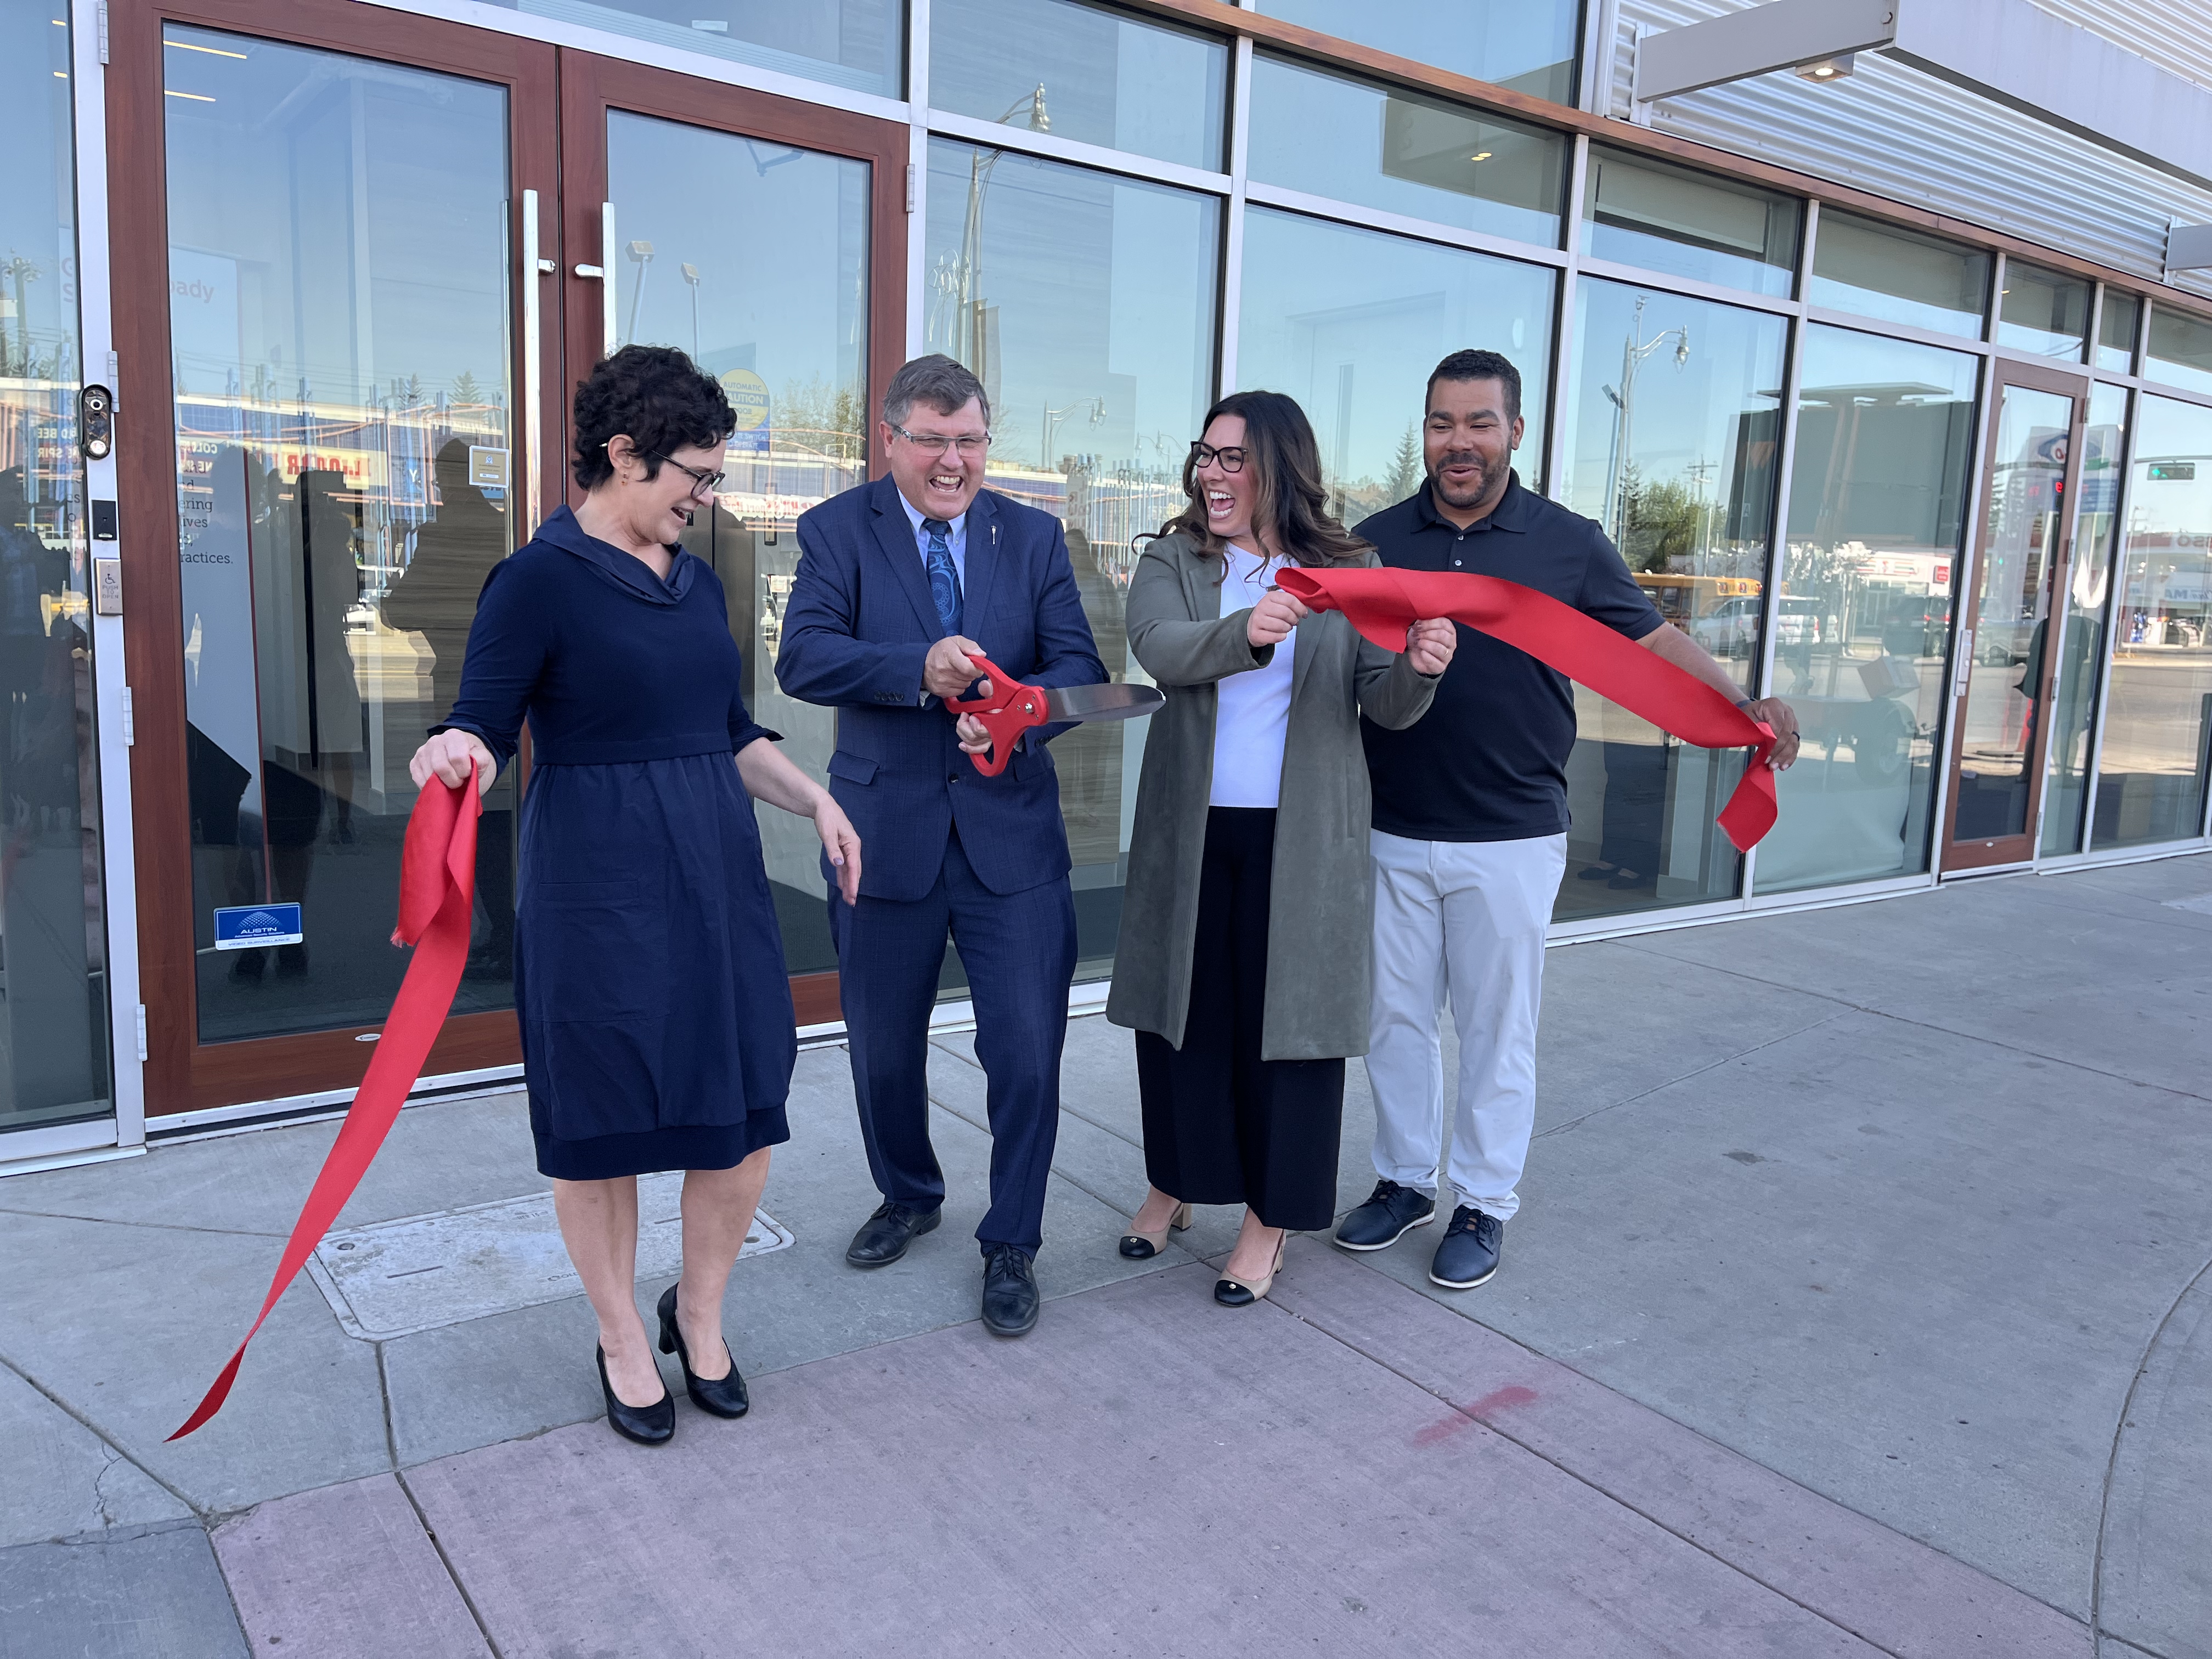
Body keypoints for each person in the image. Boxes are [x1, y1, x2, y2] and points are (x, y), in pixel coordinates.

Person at [410, 345, 861, 1444]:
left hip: (715, 880)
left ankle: (697, 1314)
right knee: (601, 1127)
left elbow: (729, 732)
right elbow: (479, 717)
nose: (708, 501)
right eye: (694, 478)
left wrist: (817, 802)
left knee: (741, 1117)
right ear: (623, 455)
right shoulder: (535, 580)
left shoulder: (698, 583)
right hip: (595, 891)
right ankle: (621, 1334)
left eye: (713, 479)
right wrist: (454, 752)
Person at [1335, 349, 1799, 1290]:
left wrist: (1741, 700)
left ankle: (1483, 1199)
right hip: (1389, 823)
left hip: (1510, 829)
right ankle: (1402, 1179)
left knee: (1496, 1028)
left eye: (1477, 422)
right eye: (1440, 423)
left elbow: (1652, 637)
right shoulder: (1374, 539)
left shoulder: (1567, 540)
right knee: (1392, 1021)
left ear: (1515, 430)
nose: (1456, 442)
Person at [776, 354, 1107, 1339]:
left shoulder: (1033, 535)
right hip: (884, 837)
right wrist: (917, 671)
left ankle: (1012, 1240)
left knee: (1028, 1051)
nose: (953, 460)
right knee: (882, 1047)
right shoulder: (837, 529)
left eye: (969, 439)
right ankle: (909, 1191)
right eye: (932, 439)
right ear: (891, 439)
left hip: (1012, 837)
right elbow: (803, 655)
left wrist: (1015, 720)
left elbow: (1077, 668)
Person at [1107, 391, 1454, 1306]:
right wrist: (1245, 629)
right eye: (1205, 454)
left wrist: (1416, 669)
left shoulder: (1352, 567)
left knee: (1289, 1032)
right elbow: (1158, 648)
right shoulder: (1175, 558)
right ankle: (1175, 1180)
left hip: (1302, 840)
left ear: (1278, 465)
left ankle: (1270, 1217)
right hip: (1192, 831)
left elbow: (1378, 700)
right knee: (1182, 1020)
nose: (1211, 474)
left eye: (1232, 457)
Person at [382, 440, 516, 978]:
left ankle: (503, 935)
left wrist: (396, 594)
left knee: (477, 819)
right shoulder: (502, 528)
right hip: (508, 692)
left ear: (446, 478)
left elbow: (401, 609)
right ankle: (512, 931)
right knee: (510, 813)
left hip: (462, 691)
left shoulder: (443, 533)